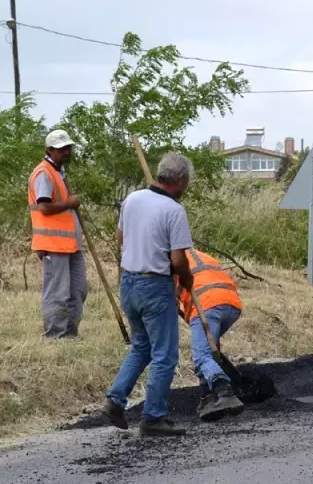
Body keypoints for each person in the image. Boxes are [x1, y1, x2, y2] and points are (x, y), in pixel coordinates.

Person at [102, 153, 196, 437]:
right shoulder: (174, 211)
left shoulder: (132, 199)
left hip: (129, 282)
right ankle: (153, 417)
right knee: (165, 354)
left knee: (141, 346)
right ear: (180, 180)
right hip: (155, 286)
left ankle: (115, 400)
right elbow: (178, 260)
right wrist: (188, 280)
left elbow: (121, 237)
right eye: (186, 182)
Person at [28, 129, 88, 338]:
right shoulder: (44, 173)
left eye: (68, 148)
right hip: (53, 244)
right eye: (62, 149)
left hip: (71, 245)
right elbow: (44, 207)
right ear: (50, 149)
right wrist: (69, 204)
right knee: (57, 293)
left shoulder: (58, 173)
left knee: (78, 291)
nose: (67, 152)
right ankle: (55, 335)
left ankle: (69, 334)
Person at [177, 249, 245, 421]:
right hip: (231, 305)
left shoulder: (172, 258)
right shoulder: (200, 255)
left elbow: (170, 294)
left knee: (202, 355)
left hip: (206, 304)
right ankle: (208, 397)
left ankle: (224, 391)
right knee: (208, 348)